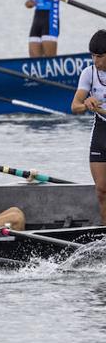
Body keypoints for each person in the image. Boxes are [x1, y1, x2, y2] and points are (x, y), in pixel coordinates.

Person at [72, 30, 106, 223]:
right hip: (101, 133)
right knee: (101, 191)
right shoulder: (88, 73)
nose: (95, 60)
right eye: (92, 55)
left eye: (99, 56)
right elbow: (74, 106)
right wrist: (85, 104)